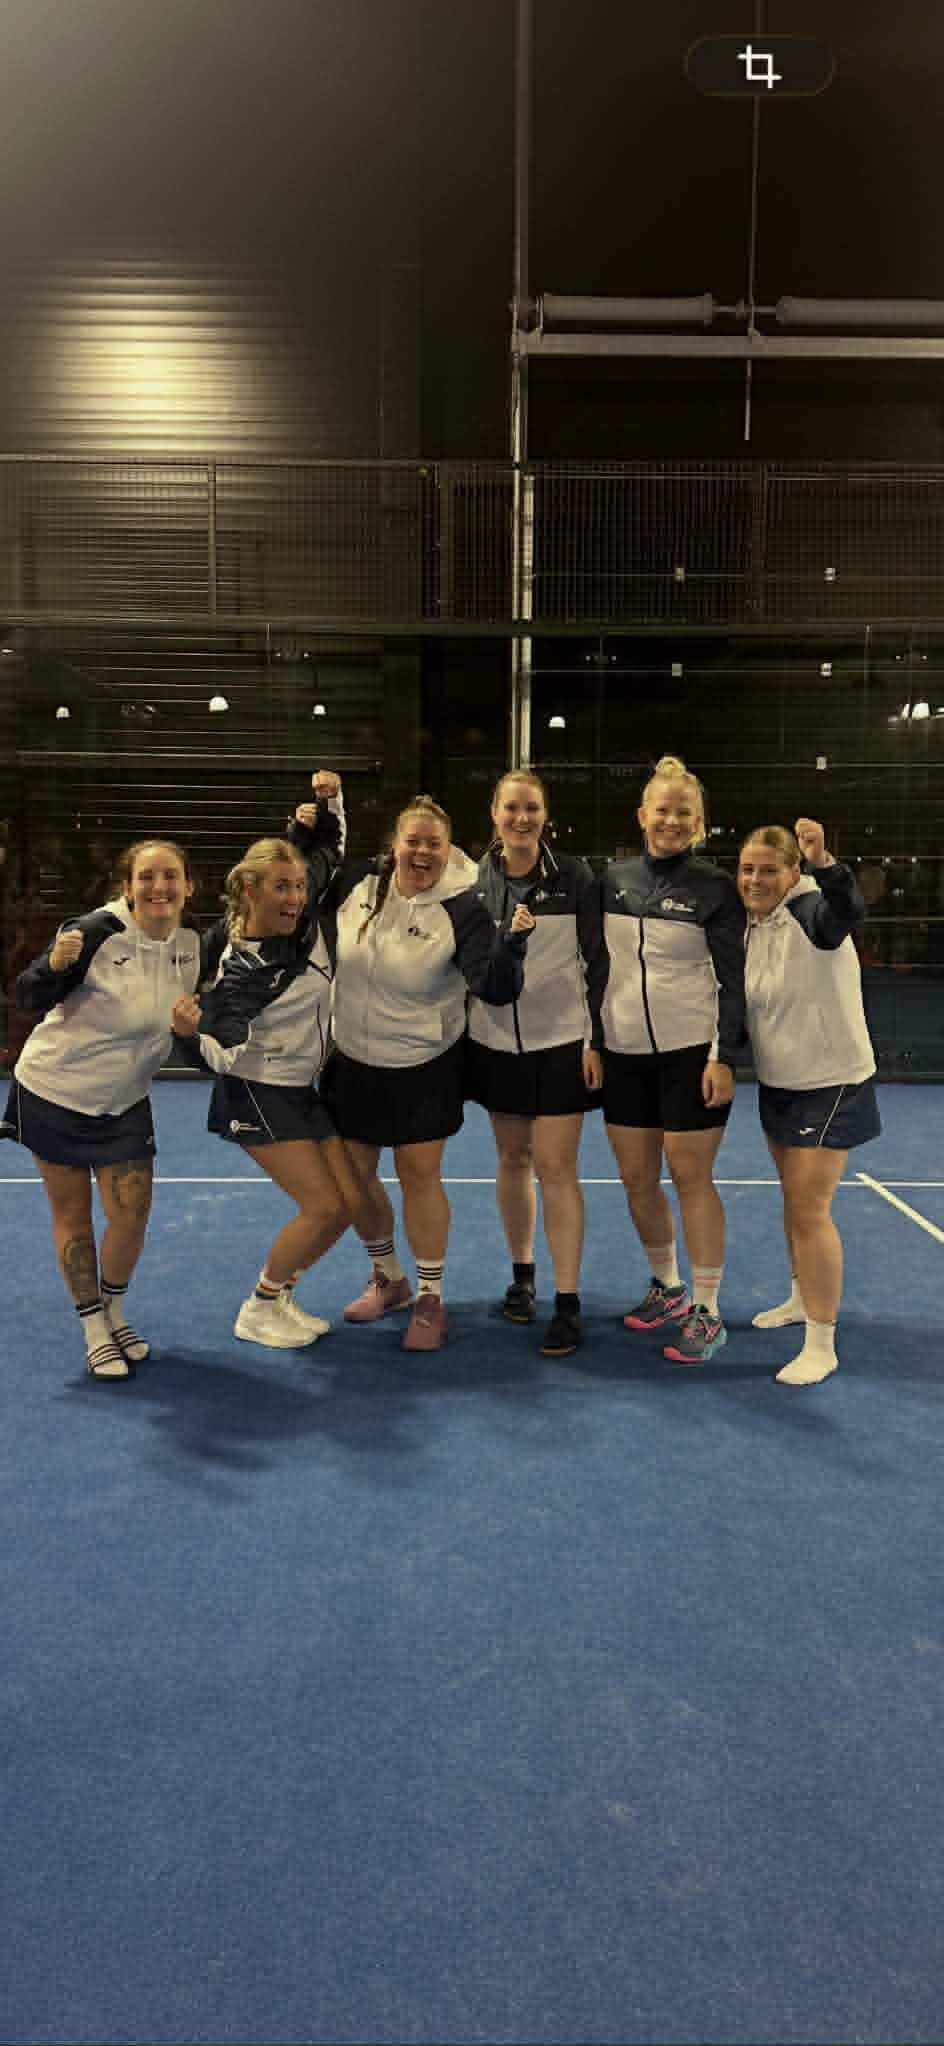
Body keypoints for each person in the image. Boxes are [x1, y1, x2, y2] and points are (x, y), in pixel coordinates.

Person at [316, 792, 532, 1352]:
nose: (422, 852)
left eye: (433, 843)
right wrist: (316, 822)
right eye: (412, 841)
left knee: (418, 1175)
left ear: (448, 849)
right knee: (353, 1179)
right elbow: (308, 876)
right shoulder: (359, 884)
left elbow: (494, 988)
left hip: (424, 1063)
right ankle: (389, 1279)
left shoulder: (464, 907)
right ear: (394, 845)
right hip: (352, 1058)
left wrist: (510, 950)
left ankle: (431, 1298)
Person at [0, 839, 202, 1379]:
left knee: (131, 1216)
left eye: (170, 876)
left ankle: (114, 1311)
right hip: (55, 1093)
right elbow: (28, 996)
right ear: (128, 886)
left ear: (189, 886)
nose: (159, 886)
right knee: (73, 1216)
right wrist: (51, 966)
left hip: (125, 1100)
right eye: (146, 876)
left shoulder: (191, 945)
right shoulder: (94, 932)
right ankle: (94, 1328)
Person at [182, 772, 362, 1351]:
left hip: (299, 1088)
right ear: (251, 889)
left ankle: (280, 1294)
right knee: (323, 1206)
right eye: (281, 887)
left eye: (298, 886)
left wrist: (327, 801)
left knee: (349, 1204)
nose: (294, 897)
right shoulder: (241, 972)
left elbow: (330, 849)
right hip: (255, 1090)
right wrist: (185, 1035)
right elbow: (217, 1055)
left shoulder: (303, 914)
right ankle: (258, 1309)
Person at [598, 753, 746, 1364]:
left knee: (691, 1179)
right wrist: (593, 1040)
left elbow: (733, 981)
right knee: (637, 1180)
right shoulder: (612, 879)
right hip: (623, 1055)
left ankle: (708, 1311)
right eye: (662, 810)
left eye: (684, 813)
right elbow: (594, 967)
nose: (672, 821)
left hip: (692, 1057)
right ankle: (669, 1286)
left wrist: (724, 1056)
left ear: (699, 823)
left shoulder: (716, 888)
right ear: (642, 816)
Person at [464, 767, 605, 1357]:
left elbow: (598, 962)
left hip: (561, 1043)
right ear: (494, 814)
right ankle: (522, 1278)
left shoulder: (574, 876)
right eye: (511, 808)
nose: (521, 819)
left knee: (555, 1167)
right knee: (512, 1158)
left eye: (532, 809)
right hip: (494, 1043)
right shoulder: (471, 882)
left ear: (545, 816)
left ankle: (567, 1302)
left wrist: (595, 1040)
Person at [737, 816, 881, 1386]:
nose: (755, 880)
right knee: (793, 1202)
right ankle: (801, 1299)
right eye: (747, 870)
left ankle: (822, 1342)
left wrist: (826, 865)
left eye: (768, 870)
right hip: (780, 1082)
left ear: (793, 871)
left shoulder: (812, 911)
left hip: (831, 1081)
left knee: (808, 1208)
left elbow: (846, 910)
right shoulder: (752, 925)